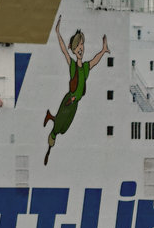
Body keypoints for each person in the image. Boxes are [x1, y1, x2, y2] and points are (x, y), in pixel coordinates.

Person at [42, 15, 109, 165]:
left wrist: (103, 50)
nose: (81, 49)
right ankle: (50, 141)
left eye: (82, 46)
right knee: (59, 124)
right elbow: (64, 50)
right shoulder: (72, 66)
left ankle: (50, 120)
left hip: (75, 104)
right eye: (78, 47)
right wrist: (58, 33)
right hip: (68, 100)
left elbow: (95, 61)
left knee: (65, 127)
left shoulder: (85, 68)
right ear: (74, 49)